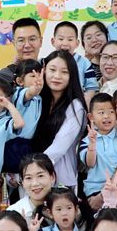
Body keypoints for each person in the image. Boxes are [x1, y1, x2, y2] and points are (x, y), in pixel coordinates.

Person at [32, 50, 87, 188]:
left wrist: (33, 168)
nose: (57, 76)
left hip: (60, 181)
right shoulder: (37, 100)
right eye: (52, 70)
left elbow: (59, 147)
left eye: (64, 72)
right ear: (44, 70)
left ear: (72, 76)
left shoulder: (76, 106)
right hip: (33, 180)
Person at [79, 92, 117, 210]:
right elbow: (90, 163)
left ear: (116, 115)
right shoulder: (86, 141)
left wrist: (109, 188)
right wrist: (92, 144)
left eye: (111, 112)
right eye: (101, 112)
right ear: (91, 117)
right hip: (94, 191)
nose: (106, 116)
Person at [3, 58, 43, 175]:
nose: (38, 79)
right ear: (20, 81)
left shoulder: (38, 98)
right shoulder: (20, 93)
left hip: (27, 143)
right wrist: (35, 88)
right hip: (14, 142)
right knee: (13, 173)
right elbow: (29, 93)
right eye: (33, 76)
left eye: (40, 75)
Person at [52, 21, 98, 99]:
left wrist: (84, 102)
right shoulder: (47, 62)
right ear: (53, 41)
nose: (65, 43)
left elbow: (92, 87)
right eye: (61, 39)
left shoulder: (84, 63)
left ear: (77, 43)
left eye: (70, 39)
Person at [7, 153, 55, 222]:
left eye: (40, 176)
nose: (35, 183)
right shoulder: (13, 214)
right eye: (28, 178)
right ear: (22, 182)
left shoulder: (68, 205)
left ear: (52, 177)